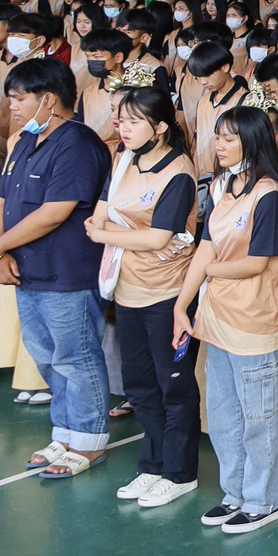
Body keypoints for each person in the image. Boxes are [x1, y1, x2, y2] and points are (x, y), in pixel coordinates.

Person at [0, 57, 114, 478]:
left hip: (66, 273)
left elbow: (55, 212)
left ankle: (90, 441)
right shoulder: (24, 141)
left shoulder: (78, 143)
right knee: (47, 357)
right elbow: (2, 201)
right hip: (27, 270)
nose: (13, 107)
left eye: (20, 98)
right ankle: (65, 432)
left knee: (76, 358)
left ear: (49, 99)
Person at [173, 104, 278, 529]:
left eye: (228, 138)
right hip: (217, 318)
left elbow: (257, 262)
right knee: (225, 416)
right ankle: (236, 493)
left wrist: (209, 271)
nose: (218, 145)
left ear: (252, 142)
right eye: (218, 137)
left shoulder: (271, 195)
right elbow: (206, 245)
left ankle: (267, 499)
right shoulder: (222, 188)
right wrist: (181, 305)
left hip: (254, 321)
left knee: (259, 418)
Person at [83, 72, 199, 509]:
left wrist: (106, 233)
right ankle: (151, 465)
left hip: (165, 295)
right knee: (140, 384)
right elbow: (100, 213)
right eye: (120, 120)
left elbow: (158, 238)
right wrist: (107, 229)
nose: (122, 128)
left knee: (174, 386)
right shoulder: (123, 158)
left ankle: (180, 472)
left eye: (132, 122)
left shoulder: (179, 173)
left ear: (161, 127)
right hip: (127, 291)